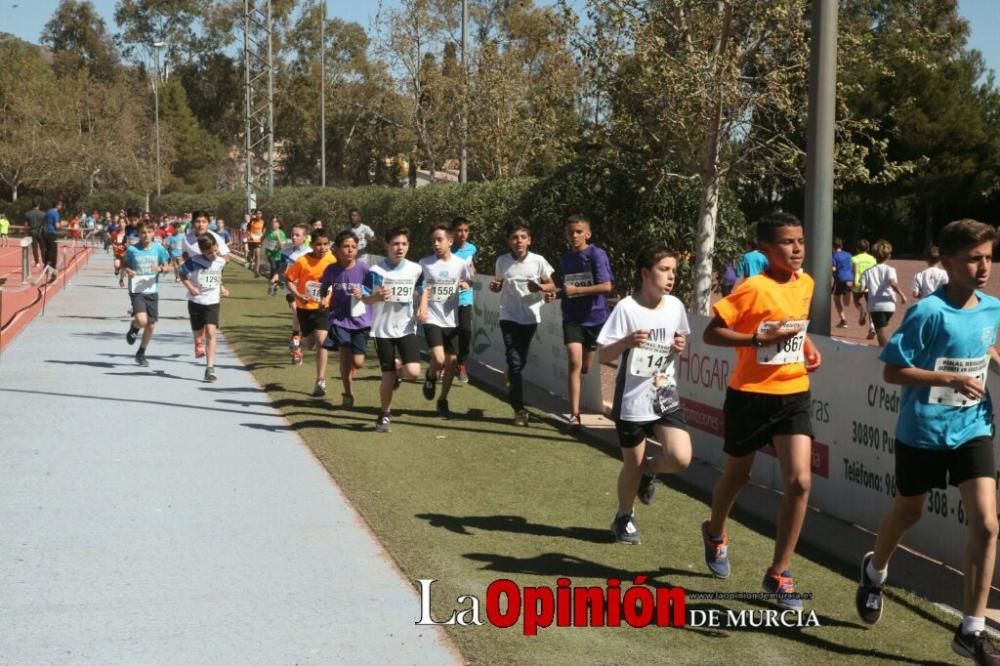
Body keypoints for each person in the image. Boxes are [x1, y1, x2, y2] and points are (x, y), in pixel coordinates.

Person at [854, 219, 1000, 664]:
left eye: (989, 257)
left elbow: (985, 347)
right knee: (909, 510)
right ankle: (875, 569)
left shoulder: (992, 308)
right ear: (950, 262)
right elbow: (892, 371)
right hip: (923, 431)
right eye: (974, 258)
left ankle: (971, 630)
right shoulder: (926, 312)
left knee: (988, 524)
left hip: (973, 426)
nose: (984, 267)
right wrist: (947, 377)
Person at [700, 211, 822, 610]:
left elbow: (795, 323)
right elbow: (712, 332)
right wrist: (754, 339)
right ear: (766, 250)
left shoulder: (806, 283)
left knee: (800, 481)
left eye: (800, 240)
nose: (798, 248)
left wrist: (806, 348)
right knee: (739, 475)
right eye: (788, 242)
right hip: (749, 395)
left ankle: (779, 572)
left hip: (793, 393)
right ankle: (715, 531)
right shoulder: (752, 288)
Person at [597, 246, 691, 545]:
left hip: (663, 391)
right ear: (645, 274)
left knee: (680, 457)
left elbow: (679, 338)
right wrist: (627, 341)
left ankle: (650, 471)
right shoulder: (626, 308)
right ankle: (624, 516)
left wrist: (678, 346)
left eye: (673, 271)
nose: (671, 276)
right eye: (664, 270)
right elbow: (603, 354)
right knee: (631, 466)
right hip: (632, 400)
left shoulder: (675, 305)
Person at [549, 215, 614, 428]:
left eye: (578, 231)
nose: (574, 235)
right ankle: (574, 413)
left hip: (595, 318)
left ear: (588, 234)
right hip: (572, 317)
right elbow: (569, 289)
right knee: (574, 363)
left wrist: (577, 290)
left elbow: (606, 287)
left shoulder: (597, 255)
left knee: (586, 367)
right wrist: (556, 295)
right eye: (570, 232)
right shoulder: (566, 258)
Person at [491, 221, 555, 426]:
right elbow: (496, 286)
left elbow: (552, 285)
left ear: (529, 240)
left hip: (530, 316)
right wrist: (494, 286)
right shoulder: (502, 261)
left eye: (523, 237)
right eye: (514, 238)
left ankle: (511, 370)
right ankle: (519, 408)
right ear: (509, 241)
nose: (519, 241)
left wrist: (539, 287)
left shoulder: (538, 261)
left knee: (520, 361)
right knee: (516, 361)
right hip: (508, 315)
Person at [362, 227, 424, 433]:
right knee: (387, 375)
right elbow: (363, 298)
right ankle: (385, 414)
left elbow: (423, 289)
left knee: (414, 372)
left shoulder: (415, 269)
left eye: (404, 244)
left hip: (406, 328)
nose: (400, 248)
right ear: (387, 246)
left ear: (409, 246)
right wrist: (376, 297)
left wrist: (423, 306)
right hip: (382, 331)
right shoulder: (376, 271)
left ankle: (400, 372)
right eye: (396, 244)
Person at [417, 224, 474, 419]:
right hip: (432, 317)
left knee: (451, 362)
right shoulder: (424, 263)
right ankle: (431, 376)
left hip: (452, 319)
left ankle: (442, 400)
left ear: (450, 241)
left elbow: (468, 280)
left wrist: (466, 284)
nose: (436, 243)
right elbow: (422, 287)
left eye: (439, 240)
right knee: (440, 359)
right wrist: (422, 306)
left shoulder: (460, 264)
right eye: (433, 240)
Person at [320, 230, 371, 408]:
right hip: (339, 320)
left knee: (358, 362)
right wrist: (324, 299)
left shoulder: (364, 268)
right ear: (337, 250)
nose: (350, 250)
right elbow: (323, 288)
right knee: (345, 356)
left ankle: (351, 373)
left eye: (353, 247)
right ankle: (347, 392)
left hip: (361, 321)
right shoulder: (331, 270)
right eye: (346, 247)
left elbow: (374, 289)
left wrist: (363, 292)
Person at [286, 229, 337, 397]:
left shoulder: (332, 260)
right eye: (318, 244)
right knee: (311, 345)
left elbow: (333, 283)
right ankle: (298, 341)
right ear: (311, 245)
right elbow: (289, 279)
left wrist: (328, 297)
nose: (322, 247)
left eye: (325, 244)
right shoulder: (302, 261)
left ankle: (320, 380)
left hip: (323, 309)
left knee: (322, 342)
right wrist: (298, 295)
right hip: (304, 308)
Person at [179, 235, 229, 382]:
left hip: (212, 301)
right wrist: (190, 287)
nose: (213, 255)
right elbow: (182, 274)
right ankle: (197, 343)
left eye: (215, 250)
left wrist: (222, 288)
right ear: (202, 252)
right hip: (196, 301)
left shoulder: (220, 261)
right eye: (209, 253)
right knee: (198, 330)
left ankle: (210, 368)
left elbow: (217, 276)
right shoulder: (194, 262)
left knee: (211, 332)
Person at [122, 222, 171, 367]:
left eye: (149, 232)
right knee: (142, 321)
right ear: (139, 233)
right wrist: (128, 271)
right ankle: (134, 327)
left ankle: (141, 353)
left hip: (152, 289)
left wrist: (160, 269)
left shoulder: (159, 249)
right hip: (137, 289)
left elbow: (167, 266)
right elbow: (124, 264)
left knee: (150, 325)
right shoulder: (132, 250)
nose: (146, 235)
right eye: (143, 232)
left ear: (154, 233)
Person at [183, 211, 231, 358]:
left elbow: (227, 257)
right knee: (198, 317)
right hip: (195, 280)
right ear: (193, 223)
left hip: (211, 279)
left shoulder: (214, 238)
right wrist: (191, 264)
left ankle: (208, 360)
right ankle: (198, 341)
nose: (200, 225)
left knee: (210, 325)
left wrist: (213, 259)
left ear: (209, 223)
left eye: (204, 222)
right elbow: (184, 254)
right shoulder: (187, 239)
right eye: (197, 221)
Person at [270, 223, 311, 364]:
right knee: (296, 312)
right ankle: (295, 339)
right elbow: (282, 267)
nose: (293, 237)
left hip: (307, 292)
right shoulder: (286, 252)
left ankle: (297, 344)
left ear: (305, 237)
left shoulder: (310, 254)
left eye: (297, 235)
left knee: (306, 324)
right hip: (291, 289)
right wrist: (276, 275)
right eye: (292, 234)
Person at [860, 240, 907, 347]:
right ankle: (884, 349)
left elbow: (862, 288)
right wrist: (901, 294)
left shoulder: (867, 272)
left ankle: (885, 353)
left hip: (875, 306)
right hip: (890, 305)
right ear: (888, 256)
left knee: (881, 333)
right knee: (882, 329)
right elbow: (892, 282)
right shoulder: (890, 269)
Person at [450, 216, 477, 384]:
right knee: (450, 334)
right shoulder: (446, 249)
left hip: (466, 297)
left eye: (466, 230)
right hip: (448, 299)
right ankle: (447, 363)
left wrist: (470, 279)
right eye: (459, 230)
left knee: (466, 331)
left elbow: (472, 269)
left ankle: (461, 362)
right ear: (453, 232)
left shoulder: (472, 249)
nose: (463, 234)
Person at [851, 239, 877, 334]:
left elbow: (854, 271)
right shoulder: (873, 259)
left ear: (857, 249)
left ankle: (861, 310)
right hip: (869, 284)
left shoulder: (854, 259)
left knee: (856, 300)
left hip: (858, 283)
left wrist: (853, 282)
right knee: (870, 305)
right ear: (868, 248)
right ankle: (872, 326)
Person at [832, 237, 854, 328]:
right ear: (842, 245)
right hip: (850, 278)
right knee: (846, 303)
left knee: (836, 299)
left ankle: (843, 320)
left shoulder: (833, 256)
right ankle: (848, 292)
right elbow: (853, 265)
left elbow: (833, 268)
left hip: (840, 279)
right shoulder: (849, 255)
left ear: (833, 246)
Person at [263, 217, 287, 284]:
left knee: (278, 269)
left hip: (278, 254)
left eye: (276, 222)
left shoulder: (281, 233)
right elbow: (265, 243)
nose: (274, 223)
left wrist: (278, 237)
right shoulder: (268, 232)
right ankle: (272, 281)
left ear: (279, 224)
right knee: (273, 266)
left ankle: (275, 281)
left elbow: (282, 246)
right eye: (273, 221)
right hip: (270, 254)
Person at [43, 201, 62, 281]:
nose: (61, 207)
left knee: (47, 250)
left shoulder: (47, 212)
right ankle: (52, 269)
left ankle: (46, 265)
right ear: (57, 205)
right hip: (52, 234)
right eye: (61, 205)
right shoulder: (55, 213)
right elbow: (57, 225)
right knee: (53, 252)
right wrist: (62, 225)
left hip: (45, 233)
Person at [25, 201, 46, 267]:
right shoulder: (43, 214)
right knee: (43, 248)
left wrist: (26, 233)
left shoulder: (27, 214)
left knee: (35, 248)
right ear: (39, 205)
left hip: (32, 232)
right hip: (41, 232)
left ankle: (37, 263)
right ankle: (44, 262)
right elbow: (45, 224)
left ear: (32, 205)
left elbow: (25, 226)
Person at [246, 211, 265, 276]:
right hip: (251, 240)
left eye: (260, 213)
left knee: (257, 254)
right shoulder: (251, 221)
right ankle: (249, 259)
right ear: (256, 215)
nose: (258, 215)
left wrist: (262, 238)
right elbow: (248, 230)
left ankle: (256, 270)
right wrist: (249, 235)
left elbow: (264, 231)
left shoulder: (263, 222)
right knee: (251, 255)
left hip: (258, 240)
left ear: (261, 215)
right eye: (257, 214)